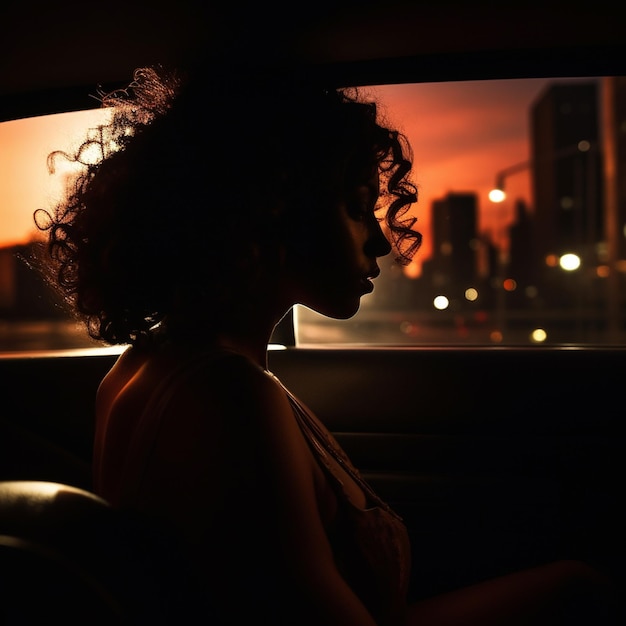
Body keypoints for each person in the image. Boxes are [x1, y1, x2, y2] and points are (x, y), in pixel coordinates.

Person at [35, 64, 619, 625]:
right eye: (357, 208)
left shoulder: (154, 361)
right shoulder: (228, 395)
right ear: (274, 210)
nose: (381, 244)